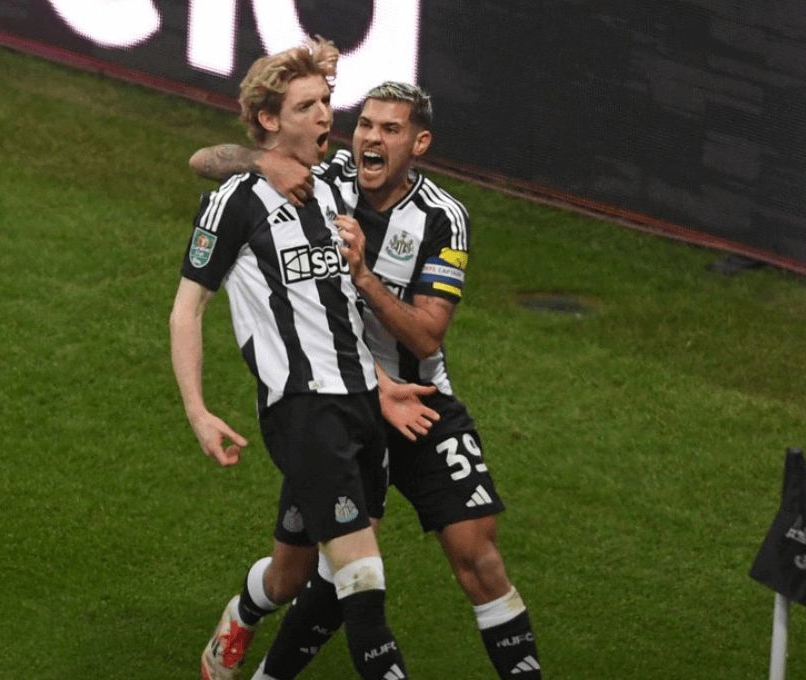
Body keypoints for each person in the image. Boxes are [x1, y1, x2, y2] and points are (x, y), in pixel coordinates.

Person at [189, 82, 542, 679]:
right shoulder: (325, 181)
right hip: (337, 399)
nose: (371, 138)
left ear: (419, 142)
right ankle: (247, 613)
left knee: (478, 557)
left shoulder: (442, 218)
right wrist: (262, 158)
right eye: (366, 125)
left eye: (391, 129)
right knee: (301, 576)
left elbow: (427, 337)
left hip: (421, 399)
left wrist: (364, 276)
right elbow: (204, 161)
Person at [171, 40, 423, 680]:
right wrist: (198, 412)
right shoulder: (237, 201)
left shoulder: (333, 185)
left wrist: (381, 383)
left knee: (293, 573)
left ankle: (243, 613)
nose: (325, 117)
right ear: (269, 119)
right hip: (305, 414)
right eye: (307, 106)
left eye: (326, 102)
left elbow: (332, 313)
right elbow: (186, 310)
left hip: (362, 405)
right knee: (364, 587)